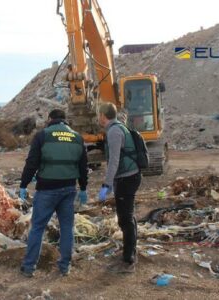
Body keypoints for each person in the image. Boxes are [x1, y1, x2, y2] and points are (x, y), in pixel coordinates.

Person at [19, 109, 88, 277]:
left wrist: (23, 184)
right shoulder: (77, 138)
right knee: (66, 228)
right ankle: (65, 266)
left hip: (46, 190)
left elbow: (32, 163)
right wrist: (84, 188)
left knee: (37, 228)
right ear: (65, 120)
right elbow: (83, 166)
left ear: (50, 119)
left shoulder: (42, 135)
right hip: (68, 189)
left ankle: (29, 267)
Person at [97, 102, 141, 273]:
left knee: (125, 219)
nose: (98, 118)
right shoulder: (119, 127)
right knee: (129, 215)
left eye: (99, 114)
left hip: (126, 178)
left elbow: (114, 160)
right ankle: (131, 250)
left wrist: (107, 184)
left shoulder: (114, 131)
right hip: (130, 176)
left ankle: (129, 258)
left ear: (103, 115)